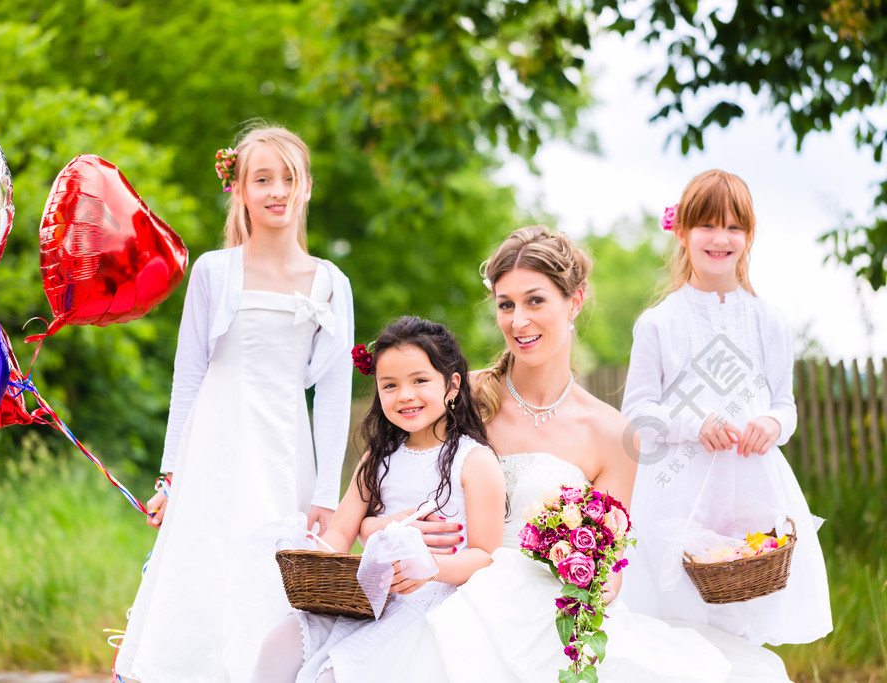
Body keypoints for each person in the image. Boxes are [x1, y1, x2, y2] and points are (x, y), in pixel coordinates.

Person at [352, 225, 791, 682]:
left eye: (535, 300)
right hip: (448, 594)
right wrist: (379, 527)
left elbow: (612, 560)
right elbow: (385, 482)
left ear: (574, 301)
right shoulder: (459, 396)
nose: (518, 321)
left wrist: (593, 586)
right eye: (506, 304)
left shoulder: (612, 433)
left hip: (551, 609)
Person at [114, 124, 355, 683]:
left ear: (307, 188)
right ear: (240, 191)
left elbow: (334, 393)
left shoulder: (330, 283)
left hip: (283, 451)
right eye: (262, 179)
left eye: (287, 179)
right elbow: (189, 375)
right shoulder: (214, 272)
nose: (276, 191)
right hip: (214, 450)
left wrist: (324, 494)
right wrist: (170, 475)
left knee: (269, 579)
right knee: (202, 571)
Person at [620, 169, 832, 645]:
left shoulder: (770, 322)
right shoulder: (659, 323)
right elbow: (637, 412)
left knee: (747, 613)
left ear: (749, 236)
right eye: (707, 226)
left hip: (752, 486)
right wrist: (692, 424)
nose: (721, 238)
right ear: (682, 232)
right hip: (679, 491)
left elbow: (786, 404)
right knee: (682, 620)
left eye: (734, 227)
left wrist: (773, 424)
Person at [251, 316, 506, 683]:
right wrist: (313, 553)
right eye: (390, 385)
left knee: (335, 674)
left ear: (451, 385)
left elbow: (486, 556)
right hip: (360, 595)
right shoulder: (379, 457)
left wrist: (428, 565)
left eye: (420, 380)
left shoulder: (474, 461)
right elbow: (341, 532)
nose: (405, 395)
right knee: (278, 644)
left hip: (427, 598)